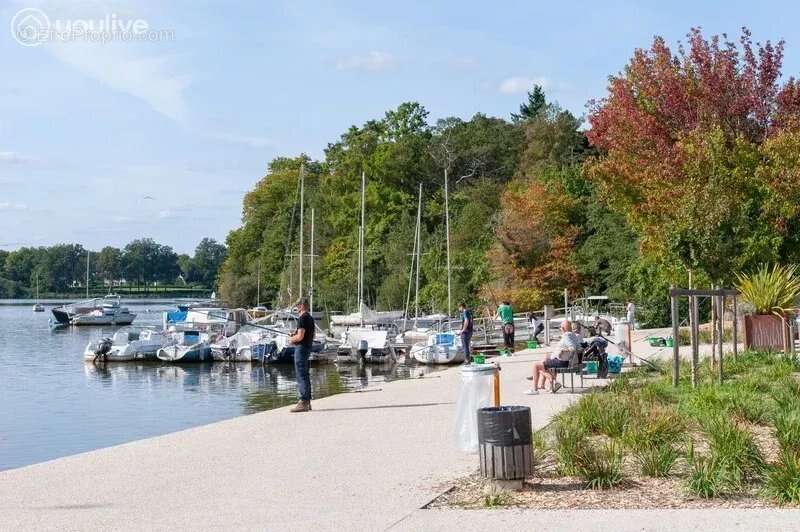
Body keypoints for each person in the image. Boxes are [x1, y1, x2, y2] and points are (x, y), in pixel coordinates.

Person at [525, 320, 582, 394]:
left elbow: (572, 348)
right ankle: (545, 384)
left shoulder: (567, 336)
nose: (560, 329)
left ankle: (537, 388)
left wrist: (562, 351)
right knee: (546, 358)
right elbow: (579, 347)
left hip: (563, 362)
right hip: (566, 361)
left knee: (536, 366)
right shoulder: (573, 335)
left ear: (563, 328)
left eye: (560, 328)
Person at [288, 298, 314, 413]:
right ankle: (307, 402)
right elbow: (312, 334)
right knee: (305, 374)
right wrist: (296, 333)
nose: (297, 307)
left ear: (303, 305)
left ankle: (303, 401)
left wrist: (291, 339)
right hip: (307, 347)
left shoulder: (302, 318)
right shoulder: (310, 318)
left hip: (301, 348)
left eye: (298, 305)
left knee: (301, 375)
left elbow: (300, 337)